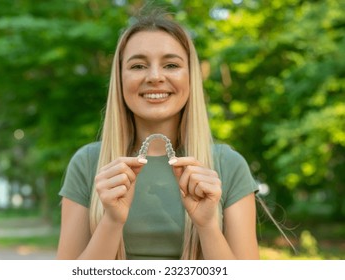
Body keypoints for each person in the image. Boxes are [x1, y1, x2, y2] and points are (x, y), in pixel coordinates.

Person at [56, 9, 260, 260]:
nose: (154, 77)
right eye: (138, 65)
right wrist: (111, 221)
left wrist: (207, 226)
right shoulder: (88, 163)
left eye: (171, 65)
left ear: (190, 77)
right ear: (120, 79)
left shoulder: (228, 166)